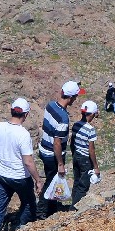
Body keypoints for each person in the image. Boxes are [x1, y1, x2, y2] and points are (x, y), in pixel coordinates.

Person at [0, 97, 42, 231]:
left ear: (11, 111)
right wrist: (38, 180)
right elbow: (28, 161)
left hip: (1, 174)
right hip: (20, 177)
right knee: (28, 203)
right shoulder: (23, 134)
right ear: (26, 115)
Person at [38, 81, 80, 216]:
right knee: (51, 182)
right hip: (52, 154)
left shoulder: (50, 106)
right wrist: (61, 164)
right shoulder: (63, 118)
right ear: (71, 97)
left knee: (51, 179)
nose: (75, 99)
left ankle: (51, 208)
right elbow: (57, 143)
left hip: (44, 149)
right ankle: (41, 212)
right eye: (75, 97)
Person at [70, 100, 100, 204]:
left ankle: (73, 202)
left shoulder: (76, 125)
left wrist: (74, 154)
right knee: (83, 185)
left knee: (76, 182)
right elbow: (91, 149)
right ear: (91, 114)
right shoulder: (90, 129)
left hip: (76, 156)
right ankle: (75, 207)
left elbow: (72, 142)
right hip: (85, 159)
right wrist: (95, 167)